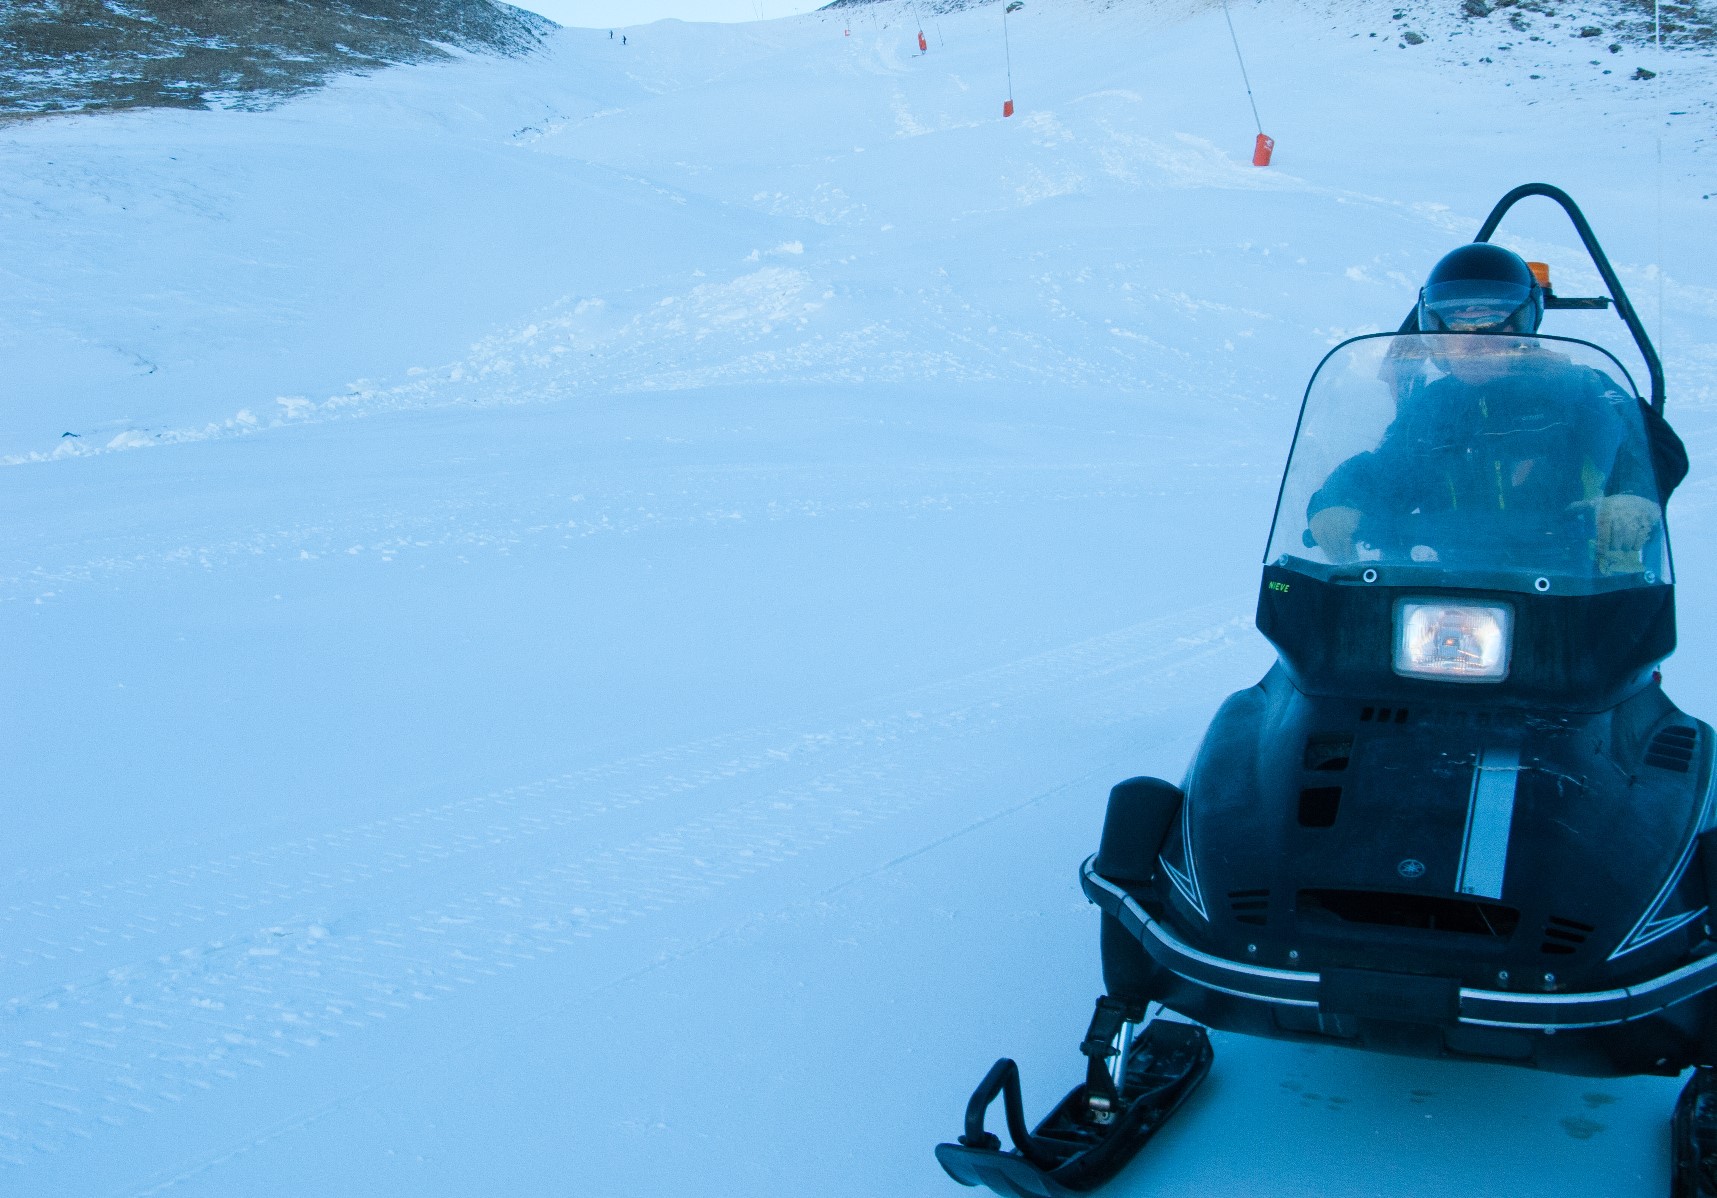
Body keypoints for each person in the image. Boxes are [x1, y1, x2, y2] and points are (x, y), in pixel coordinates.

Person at [1307, 243, 1687, 574]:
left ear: (1523, 324)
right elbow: (1390, 471)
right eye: (1458, 324)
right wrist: (1340, 500)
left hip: (1571, 582)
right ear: (1436, 329)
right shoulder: (1432, 406)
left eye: (1492, 322)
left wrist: (1632, 495)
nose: (1475, 342)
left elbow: (1647, 442)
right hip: (1455, 586)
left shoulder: (1574, 387)